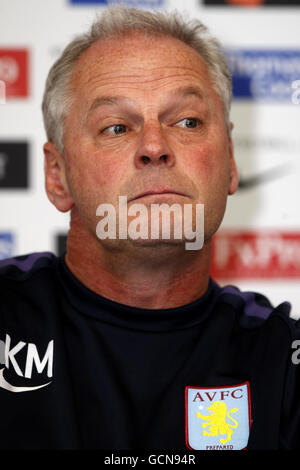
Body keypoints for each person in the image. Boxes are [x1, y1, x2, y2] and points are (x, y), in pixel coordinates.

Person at [0, 5, 299, 451]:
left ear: (231, 162)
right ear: (57, 175)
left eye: (188, 122)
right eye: (117, 127)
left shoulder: (282, 364)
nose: (155, 146)